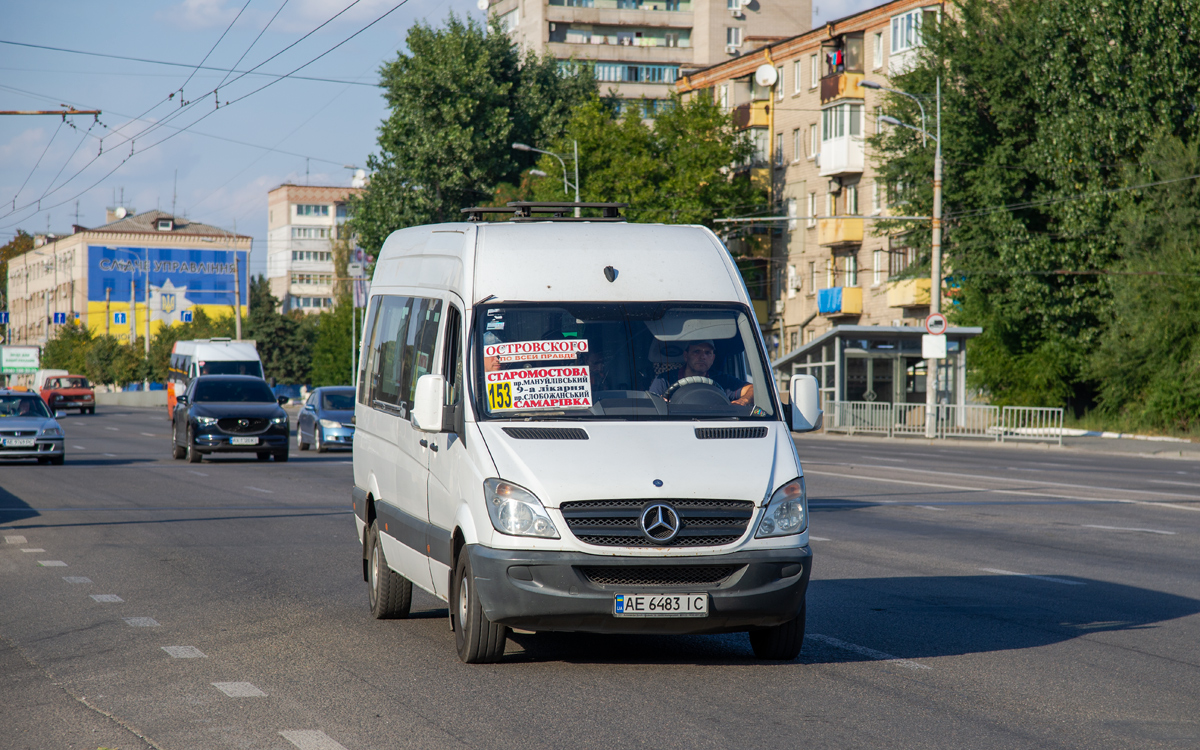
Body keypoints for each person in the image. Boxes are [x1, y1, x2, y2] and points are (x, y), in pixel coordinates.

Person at [648, 340, 753, 405]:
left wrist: (743, 401)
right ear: (686, 356)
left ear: (713, 358)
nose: (703, 357)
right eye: (696, 351)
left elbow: (752, 389)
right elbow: (651, 406)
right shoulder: (664, 380)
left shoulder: (723, 380)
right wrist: (661, 403)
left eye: (708, 353)